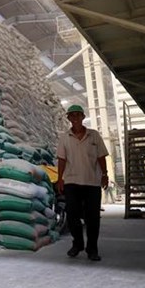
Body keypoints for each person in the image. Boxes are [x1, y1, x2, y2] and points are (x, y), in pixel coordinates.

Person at [56, 105, 109, 261]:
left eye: (78, 115)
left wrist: (105, 174)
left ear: (83, 117)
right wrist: (60, 178)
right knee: (72, 215)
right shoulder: (65, 137)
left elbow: (101, 156)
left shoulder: (94, 136)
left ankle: (92, 249)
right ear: (69, 118)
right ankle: (77, 243)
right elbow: (61, 159)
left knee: (93, 218)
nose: (75, 118)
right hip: (71, 181)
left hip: (92, 182)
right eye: (72, 116)